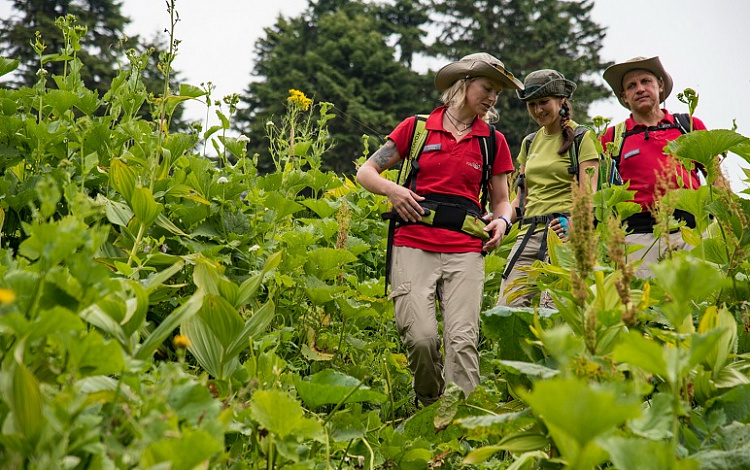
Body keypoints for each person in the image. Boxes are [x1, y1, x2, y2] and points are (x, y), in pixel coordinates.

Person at [356, 52, 520, 406]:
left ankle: (462, 426)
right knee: (421, 337)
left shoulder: (493, 141)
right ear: (463, 85)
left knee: (462, 340)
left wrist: (503, 221)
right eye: (487, 88)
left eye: (497, 93)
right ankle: (429, 404)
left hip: (466, 249)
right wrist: (394, 190)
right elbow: (366, 172)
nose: (492, 98)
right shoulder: (416, 128)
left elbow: (502, 200)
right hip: (413, 242)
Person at [497, 69, 599, 308]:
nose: (538, 110)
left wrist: (574, 223)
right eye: (531, 104)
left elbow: (589, 194)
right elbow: (521, 198)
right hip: (528, 234)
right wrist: (502, 222)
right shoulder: (530, 142)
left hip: (564, 235)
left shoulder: (582, 138)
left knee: (553, 310)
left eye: (544, 102)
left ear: (561, 101)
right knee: (507, 308)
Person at [600, 56, 707, 278]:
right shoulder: (612, 137)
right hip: (639, 237)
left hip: (692, 230)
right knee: (644, 305)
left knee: (700, 298)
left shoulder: (688, 125)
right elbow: (600, 190)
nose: (640, 89)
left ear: (659, 86)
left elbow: (715, 176)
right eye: (631, 86)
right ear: (624, 97)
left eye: (646, 81)